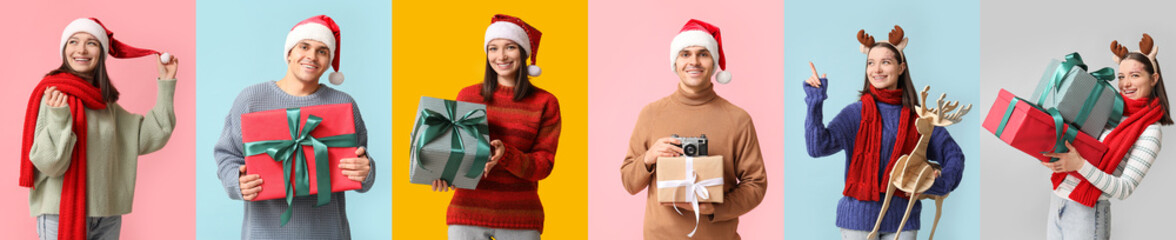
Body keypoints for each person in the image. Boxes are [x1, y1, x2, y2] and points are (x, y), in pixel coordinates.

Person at [213, 15, 374, 240]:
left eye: (322, 51)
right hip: (264, 234)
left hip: (328, 233)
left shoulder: (343, 104)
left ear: (329, 62)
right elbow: (226, 155)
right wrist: (236, 181)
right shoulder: (251, 99)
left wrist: (366, 171)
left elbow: (361, 160)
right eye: (304, 46)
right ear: (289, 53)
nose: (312, 56)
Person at [20, 17, 178, 240]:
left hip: (107, 216)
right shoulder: (53, 95)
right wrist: (58, 117)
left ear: (102, 53)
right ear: (64, 49)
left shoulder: (107, 106)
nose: (81, 49)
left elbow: (152, 135)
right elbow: (50, 165)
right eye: (73, 42)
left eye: (91, 43)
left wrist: (166, 84)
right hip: (60, 214)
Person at [803, 25, 964, 240]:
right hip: (858, 221)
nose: (876, 69)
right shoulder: (855, 114)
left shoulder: (920, 118)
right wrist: (815, 101)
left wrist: (936, 184)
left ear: (901, 68)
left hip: (903, 221)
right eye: (871, 63)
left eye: (885, 62)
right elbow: (817, 147)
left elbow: (954, 156)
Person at [619, 19, 767, 240]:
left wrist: (714, 207)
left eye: (703, 54)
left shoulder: (738, 119)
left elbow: (756, 184)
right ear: (675, 62)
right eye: (685, 54)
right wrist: (649, 158)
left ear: (714, 62)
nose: (694, 62)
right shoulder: (651, 114)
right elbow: (629, 182)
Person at [430, 14, 561, 240]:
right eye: (493, 48)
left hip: (520, 218)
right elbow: (458, 153)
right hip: (466, 216)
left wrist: (506, 154)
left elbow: (543, 165)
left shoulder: (545, 103)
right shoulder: (468, 96)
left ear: (523, 52)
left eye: (510, 47)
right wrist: (444, 173)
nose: (500, 56)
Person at [1040, 33, 1172, 240]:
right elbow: (1079, 144)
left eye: (1135, 76)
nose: (1125, 83)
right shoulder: (1108, 108)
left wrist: (1078, 164)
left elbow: (1124, 189)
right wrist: (1058, 156)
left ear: (1153, 79)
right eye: (1121, 76)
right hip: (1058, 201)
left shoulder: (1151, 131)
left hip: (1087, 213)